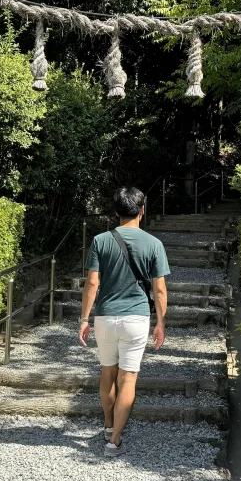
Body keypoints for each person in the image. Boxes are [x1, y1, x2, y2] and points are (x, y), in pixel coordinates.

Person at [78, 187, 169, 457]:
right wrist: (161, 323)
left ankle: (108, 425)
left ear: (116, 212)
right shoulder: (154, 244)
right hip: (137, 317)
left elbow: (92, 282)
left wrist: (84, 319)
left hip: (105, 316)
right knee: (128, 379)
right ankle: (114, 441)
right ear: (142, 211)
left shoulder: (100, 241)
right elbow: (160, 290)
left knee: (108, 374)